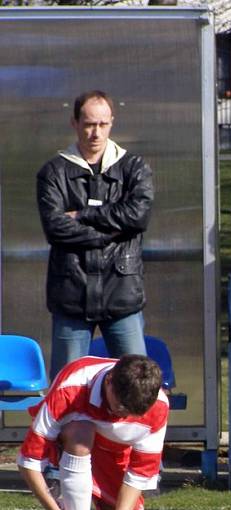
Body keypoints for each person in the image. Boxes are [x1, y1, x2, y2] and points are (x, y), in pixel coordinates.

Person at [37, 90, 154, 379]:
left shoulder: (134, 168)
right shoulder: (53, 172)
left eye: (103, 124)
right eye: (89, 124)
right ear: (74, 123)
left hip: (122, 294)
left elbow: (138, 216)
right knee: (68, 389)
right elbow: (55, 228)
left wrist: (83, 216)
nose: (95, 133)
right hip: (71, 296)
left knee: (136, 387)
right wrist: (112, 233)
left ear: (112, 122)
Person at [17, 355, 168, 510]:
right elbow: (28, 461)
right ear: (109, 381)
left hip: (115, 457)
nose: (123, 416)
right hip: (70, 446)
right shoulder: (71, 386)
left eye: (132, 413)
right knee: (81, 432)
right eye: (120, 408)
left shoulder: (158, 406)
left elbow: (137, 475)